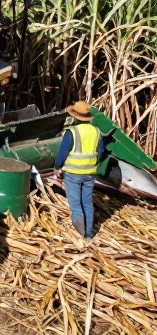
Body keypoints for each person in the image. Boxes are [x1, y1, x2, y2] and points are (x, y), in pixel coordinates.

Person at [54, 100, 105, 241]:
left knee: (76, 205)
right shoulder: (97, 131)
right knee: (87, 203)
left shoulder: (72, 132)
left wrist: (56, 167)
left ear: (75, 117)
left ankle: (80, 235)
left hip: (72, 175)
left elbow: (63, 153)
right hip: (90, 174)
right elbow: (100, 152)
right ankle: (88, 234)